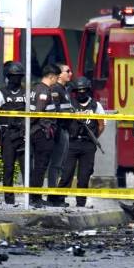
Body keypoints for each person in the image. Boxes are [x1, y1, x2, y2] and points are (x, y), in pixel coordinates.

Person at [57, 77, 106, 208]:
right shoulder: (70, 104)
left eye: (84, 90)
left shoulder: (96, 105)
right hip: (72, 143)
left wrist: (93, 138)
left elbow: (101, 125)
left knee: (84, 176)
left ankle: (80, 203)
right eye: (79, 90)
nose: (82, 93)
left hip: (88, 144)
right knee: (66, 173)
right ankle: (59, 200)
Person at [0, 61, 27, 205]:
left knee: (27, 167)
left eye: (18, 76)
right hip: (7, 135)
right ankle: (9, 199)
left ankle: (29, 198)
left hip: (24, 135)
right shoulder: (0, 93)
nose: (16, 79)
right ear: (8, 77)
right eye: (13, 76)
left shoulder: (26, 93)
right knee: (9, 167)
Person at [28, 64, 63, 207]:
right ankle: (35, 197)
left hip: (37, 131)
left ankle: (34, 196)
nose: (57, 81)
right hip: (42, 133)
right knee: (41, 166)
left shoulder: (34, 88)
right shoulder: (44, 91)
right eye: (56, 77)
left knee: (38, 165)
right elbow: (37, 112)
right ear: (51, 76)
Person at [47, 62, 74, 197]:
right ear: (59, 75)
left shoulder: (65, 89)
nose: (70, 74)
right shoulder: (56, 90)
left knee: (62, 164)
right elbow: (56, 110)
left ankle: (57, 195)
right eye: (67, 71)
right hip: (59, 130)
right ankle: (52, 194)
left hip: (66, 129)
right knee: (56, 164)